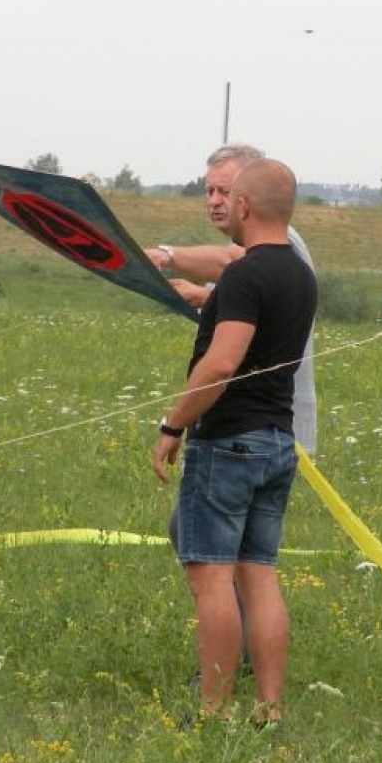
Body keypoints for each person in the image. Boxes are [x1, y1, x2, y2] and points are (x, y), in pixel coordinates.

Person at [151, 158, 318, 726]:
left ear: (244, 207)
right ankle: (268, 710)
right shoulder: (301, 274)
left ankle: (214, 713)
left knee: (212, 580)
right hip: (278, 442)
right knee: (260, 577)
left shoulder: (245, 275)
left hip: (228, 443)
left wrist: (173, 425)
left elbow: (222, 364)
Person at [146, 143, 317, 455]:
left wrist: (166, 255)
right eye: (209, 191)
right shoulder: (252, 257)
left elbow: (232, 264)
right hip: (256, 431)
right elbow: (257, 301)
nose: (214, 201)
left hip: (243, 432)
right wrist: (208, 297)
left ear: (248, 193)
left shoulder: (276, 240)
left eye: (224, 191)